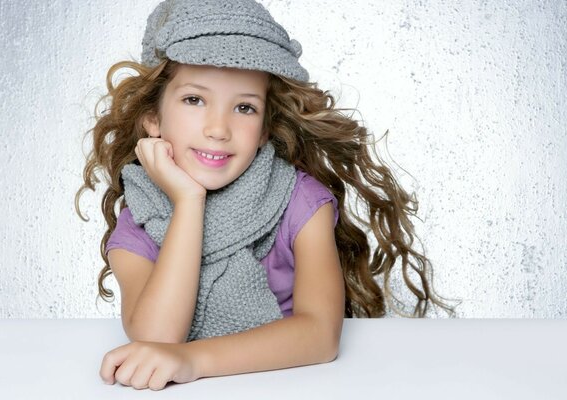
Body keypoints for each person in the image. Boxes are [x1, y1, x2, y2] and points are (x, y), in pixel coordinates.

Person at [75, 0, 458, 391]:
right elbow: (156, 340)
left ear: (263, 131)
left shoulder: (300, 203)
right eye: (194, 100)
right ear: (152, 119)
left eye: (244, 107)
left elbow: (320, 336)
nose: (218, 128)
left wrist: (193, 361)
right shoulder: (140, 216)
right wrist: (188, 202)